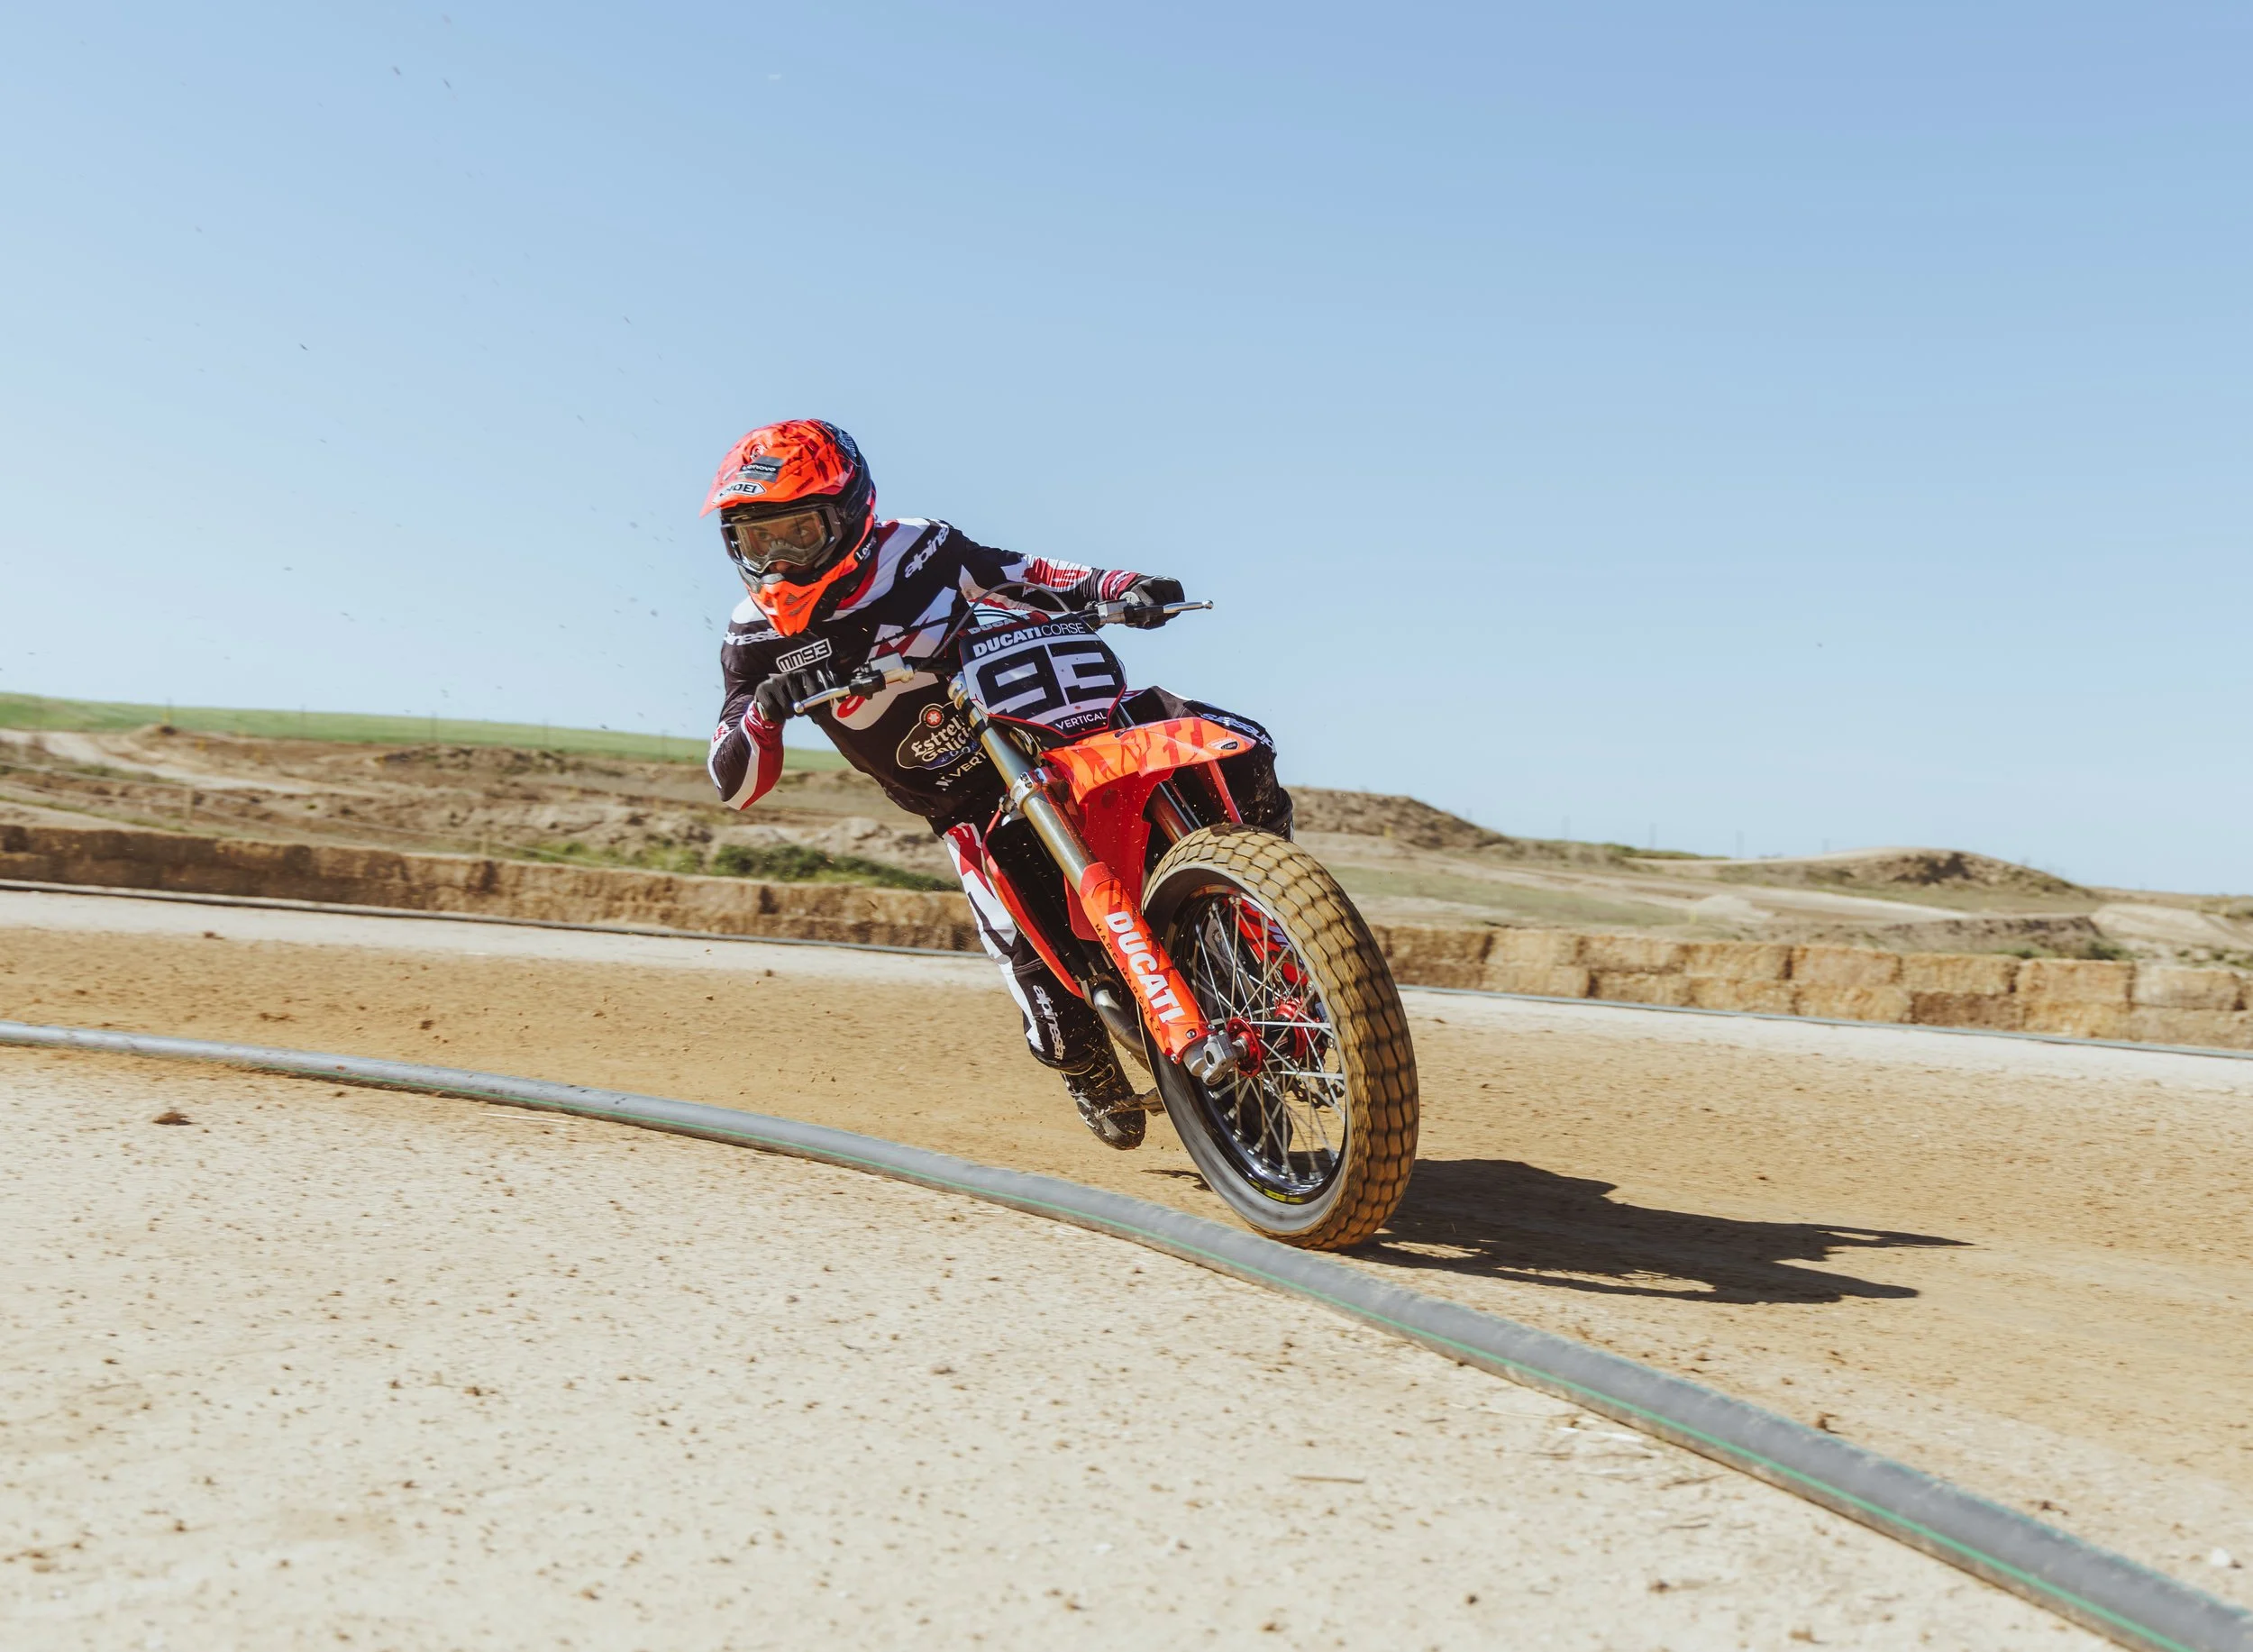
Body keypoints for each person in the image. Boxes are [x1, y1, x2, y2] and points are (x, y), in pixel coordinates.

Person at [701, 418, 1291, 1149]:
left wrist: (1120, 585)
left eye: (796, 532)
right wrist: (765, 708)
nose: (780, 560)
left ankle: (1277, 923)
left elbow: (1020, 571)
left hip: (1059, 725)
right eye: (758, 541)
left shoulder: (920, 548)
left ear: (851, 515)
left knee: (1241, 743)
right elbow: (733, 779)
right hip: (969, 805)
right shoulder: (752, 637)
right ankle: (1087, 1069)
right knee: (1050, 1003)